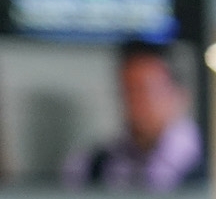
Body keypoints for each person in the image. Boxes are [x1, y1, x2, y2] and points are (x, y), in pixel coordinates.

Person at [62, 41, 206, 191]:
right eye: (128, 90)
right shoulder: (93, 165)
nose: (135, 101)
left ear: (180, 96)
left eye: (145, 90)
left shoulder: (209, 162)